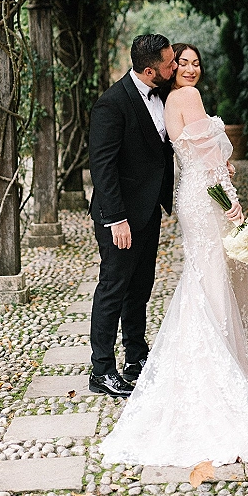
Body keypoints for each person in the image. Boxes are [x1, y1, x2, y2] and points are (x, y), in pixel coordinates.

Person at [99, 42, 248, 465]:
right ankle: (218, 367)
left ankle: (192, 361)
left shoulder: (169, 99)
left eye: (192, 62)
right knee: (209, 275)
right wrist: (231, 198)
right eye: (178, 62)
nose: (187, 68)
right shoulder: (187, 97)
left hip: (191, 196)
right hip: (205, 198)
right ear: (163, 70)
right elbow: (207, 157)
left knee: (203, 275)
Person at [88, 34, 177, 398]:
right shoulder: (111, 104)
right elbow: (102, 167)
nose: (175, 68)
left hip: (148, 210)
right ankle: (102, 370)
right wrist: (116, 219)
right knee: (113, 289)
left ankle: (136, 357)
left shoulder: (165, 95)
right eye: (170, 64)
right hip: (120, 217)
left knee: (140, 288)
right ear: (148, 70)